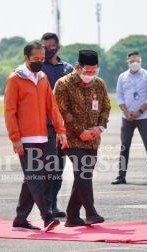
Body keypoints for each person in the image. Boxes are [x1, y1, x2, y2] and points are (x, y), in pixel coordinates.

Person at [4, 41, 67, 232]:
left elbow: (52, 106)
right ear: (26, 58)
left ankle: (20, 219)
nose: (40, 61)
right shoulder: (15, 79)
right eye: (36, 59)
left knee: (44, 176)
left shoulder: (43, 77)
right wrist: (15, 137)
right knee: (34, 177)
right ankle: (46, 216)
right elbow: (9, 111)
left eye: (42, 58)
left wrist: (61, 130)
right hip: (25, 139)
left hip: (44, 137)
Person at [54, 50, 110, 227]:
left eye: (94, 71)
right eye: (87, 71)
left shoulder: (99, 84)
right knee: (84, 171)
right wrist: (80, 131)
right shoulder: (64, 84)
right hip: (71, 138)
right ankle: (91, 212)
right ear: (78, 67)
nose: (91, 75)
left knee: (83, 175)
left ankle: (72, 216)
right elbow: (63, 112)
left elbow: (106, 107)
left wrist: (100, 127)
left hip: (93, 138)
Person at [112, 51, 147, 184]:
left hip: (144, 117)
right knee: (124, 146)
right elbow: (119, 96)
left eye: (136, 61)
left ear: (140, 61)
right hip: (127, 117)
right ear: (127, 62)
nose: (134, 63)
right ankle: (121, 176)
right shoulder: (122, 77)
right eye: (131, 61)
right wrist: (127, 113)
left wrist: (139, 112)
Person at [41, 32, 73, 218]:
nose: (47, 50)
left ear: (58, 47)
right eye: (44, 47)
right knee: (48, 167)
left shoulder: (67, 68)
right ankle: (46, 205)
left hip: (63, 125)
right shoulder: (39, 68)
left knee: (59, 167)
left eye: (50, 47)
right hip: (45, 125)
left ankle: (53, 203)